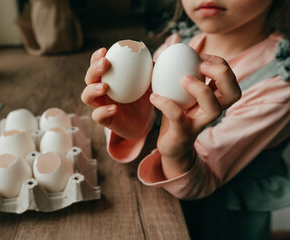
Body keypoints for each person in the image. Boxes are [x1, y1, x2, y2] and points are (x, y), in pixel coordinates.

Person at [81, 0, 290, 239]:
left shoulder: (279, 83)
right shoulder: (178, 43)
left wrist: (177, 152)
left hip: (220, 226)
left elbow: (204, 180)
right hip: (152, 221)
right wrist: (137, 125)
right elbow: (149, 115)